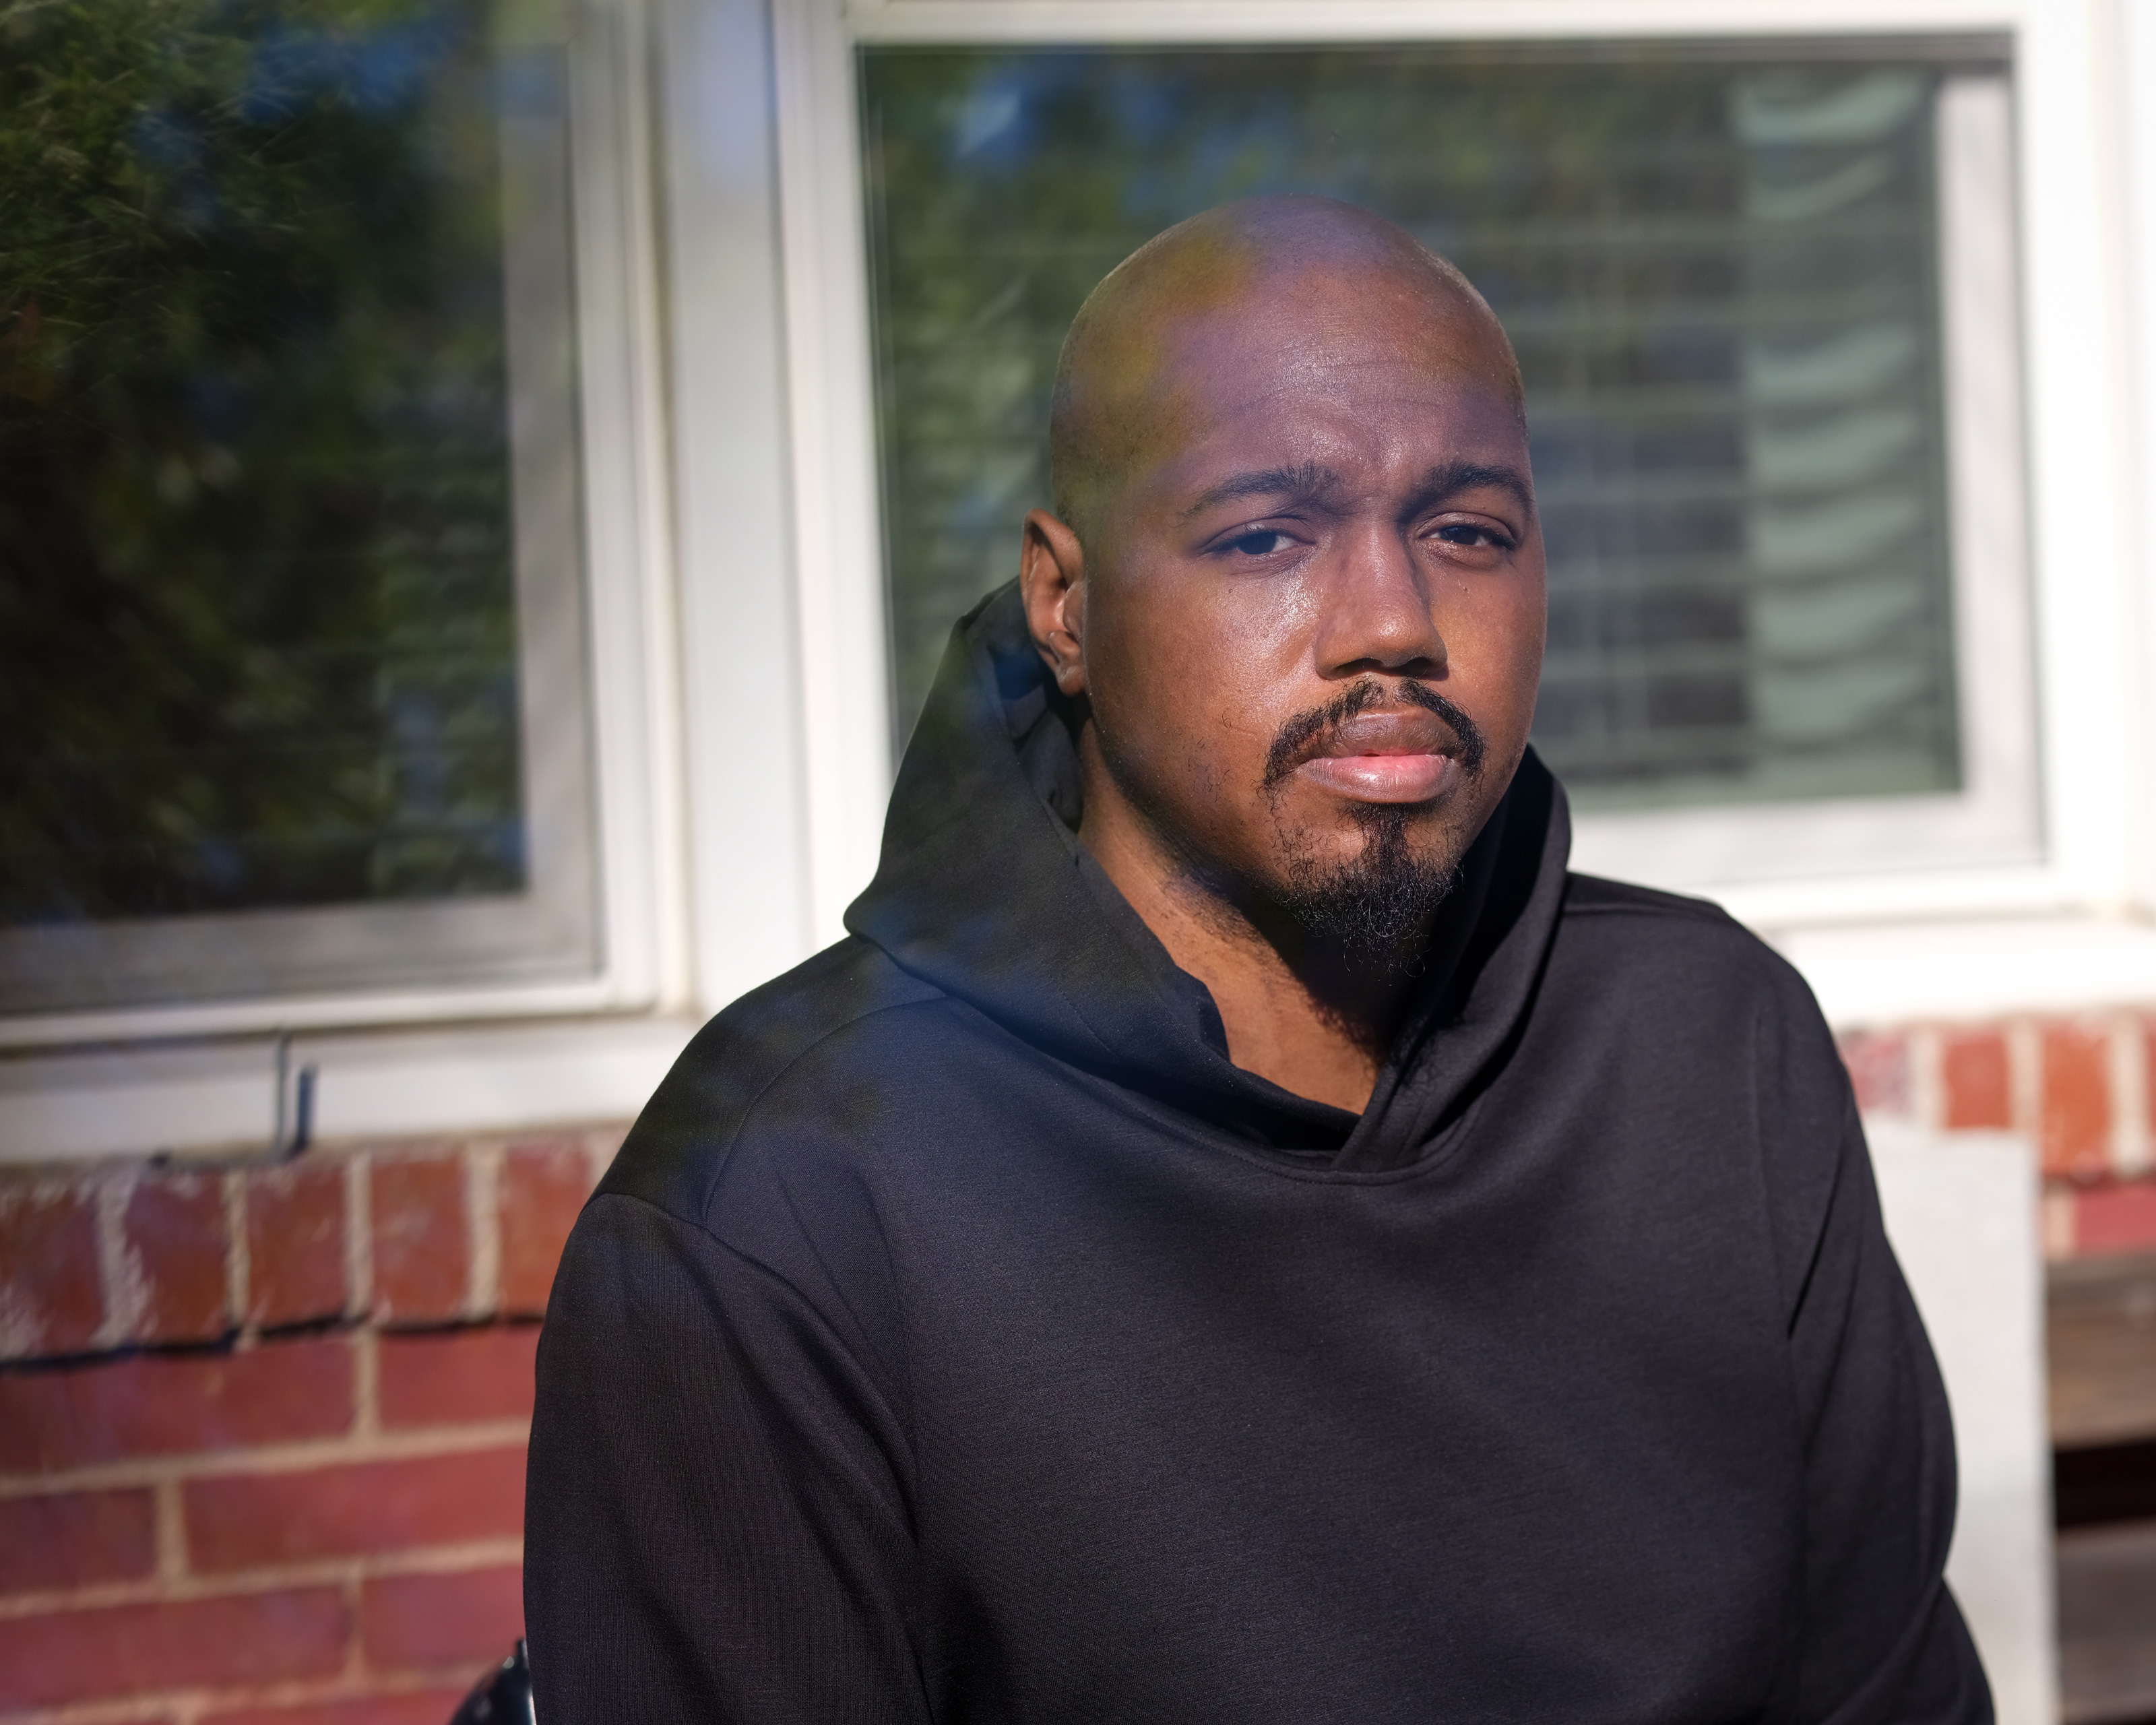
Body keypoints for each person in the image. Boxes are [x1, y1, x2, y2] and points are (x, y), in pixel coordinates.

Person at [524, 193, 1990, 1723]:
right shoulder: (788, 1194)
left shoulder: (1706, 1047)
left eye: (1467, 531)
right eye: (1268, 534)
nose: (1391, 622)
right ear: (1065, 605)